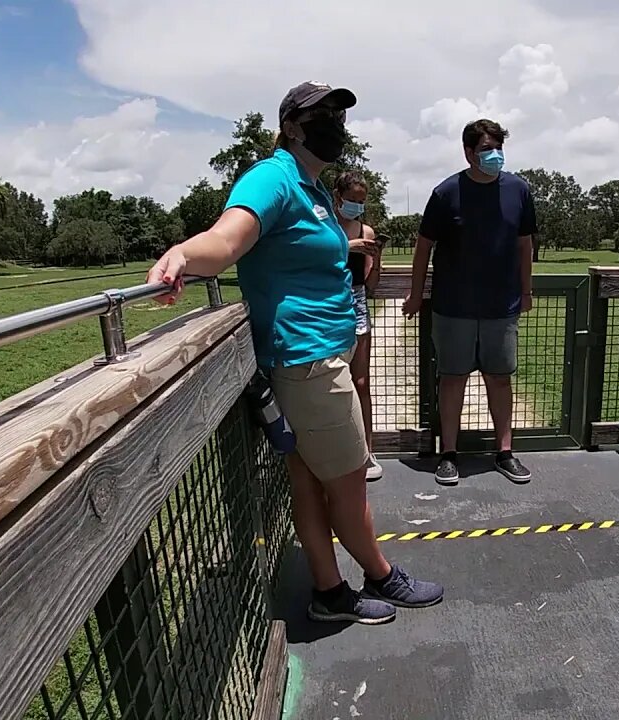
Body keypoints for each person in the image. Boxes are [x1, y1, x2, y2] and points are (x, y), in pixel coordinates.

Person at [148, 82, 442, 624]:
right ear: (291, 126)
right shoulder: (272, 177)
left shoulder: (312, 188)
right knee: (350, 487)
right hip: (310, 365)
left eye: (339, 113)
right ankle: (382, 576)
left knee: (308, 483)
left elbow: (298, 252)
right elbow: (227, 240)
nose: (336, 122)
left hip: (305, 360)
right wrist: (182, 254)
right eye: (322, 114)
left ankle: (329, 593)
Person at [402, 118, 537, 487]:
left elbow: (525, 244)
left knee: (500, 380)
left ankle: (505, 452)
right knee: (452, 380)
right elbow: (423, 246)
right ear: (468, 153)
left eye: (498, 148)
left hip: (502, 306)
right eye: (486, 149)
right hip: (453, 306)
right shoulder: (446, 193)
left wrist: (526, 291)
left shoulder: (519, 190)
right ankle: (448, 454)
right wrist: (416, 293)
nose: (495, 155)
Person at [334, 171, 384, 481]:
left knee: (361, 382)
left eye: (361, 201)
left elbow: (371, 284)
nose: (356, 206)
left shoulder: (367, 229)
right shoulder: (325, 226)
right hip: (329, 303)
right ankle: (340, 450)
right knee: (332, 380)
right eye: (352, 200)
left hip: (357, 301)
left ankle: (367, 449)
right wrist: (347, 246)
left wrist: (376, 257)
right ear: (338, 196)